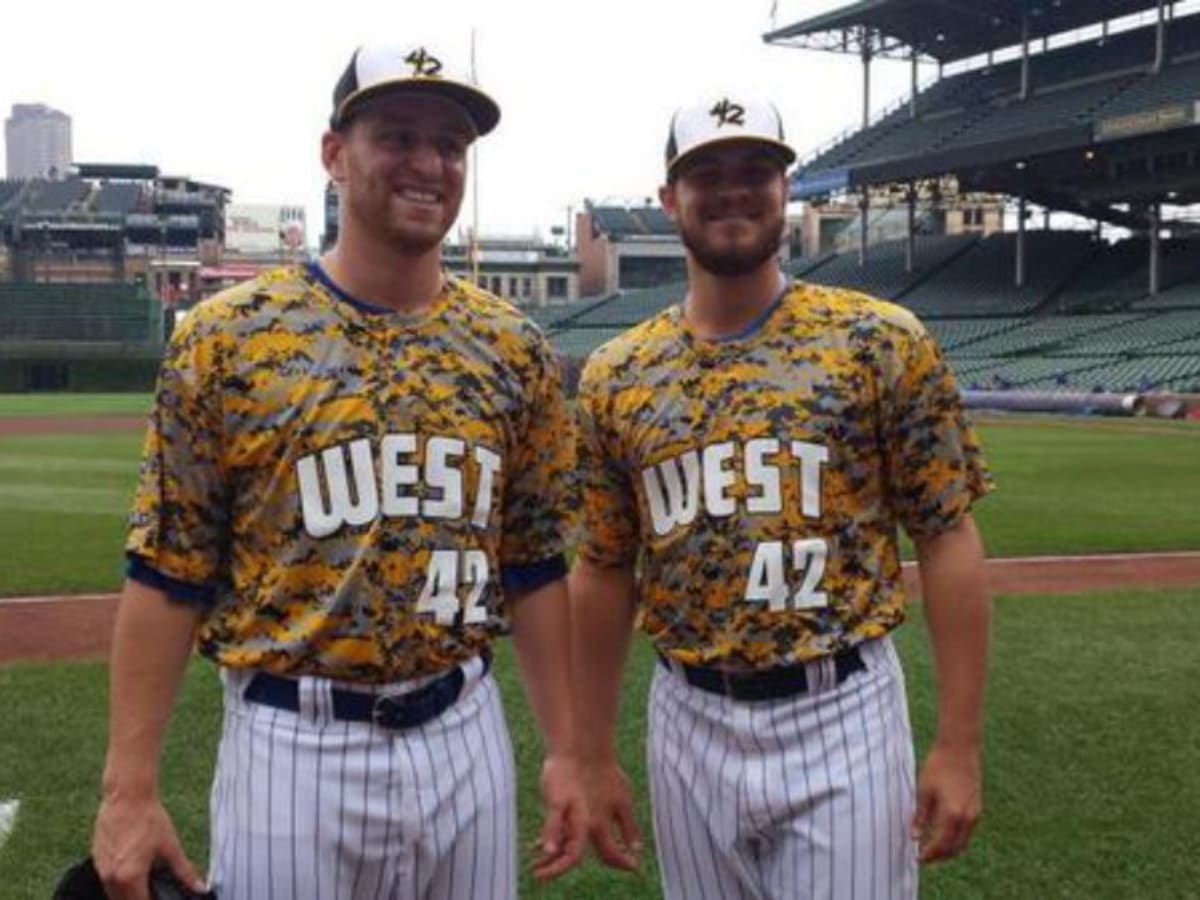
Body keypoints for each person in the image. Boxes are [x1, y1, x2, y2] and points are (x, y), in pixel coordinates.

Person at [90, 42, 584, 900]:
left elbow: (535, 565)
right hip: (293, 748)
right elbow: (168, 573)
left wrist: (571, 750)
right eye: (396, 136)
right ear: (333, 154)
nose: (429, 164)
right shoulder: (228, 340)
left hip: (466, 733)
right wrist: (127, 789)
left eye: (452, 145)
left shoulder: (517, 351)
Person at [571, 95, 994, 900]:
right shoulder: (616, 376)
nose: (733, 189)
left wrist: (960, 742)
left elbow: (947, 536)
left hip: (841, 707)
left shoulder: (878, 341)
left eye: (755, 170)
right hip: (687, 714)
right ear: (669, 197)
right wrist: (590, 751)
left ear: (786, 187)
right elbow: (600, 568)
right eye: (706, 172)